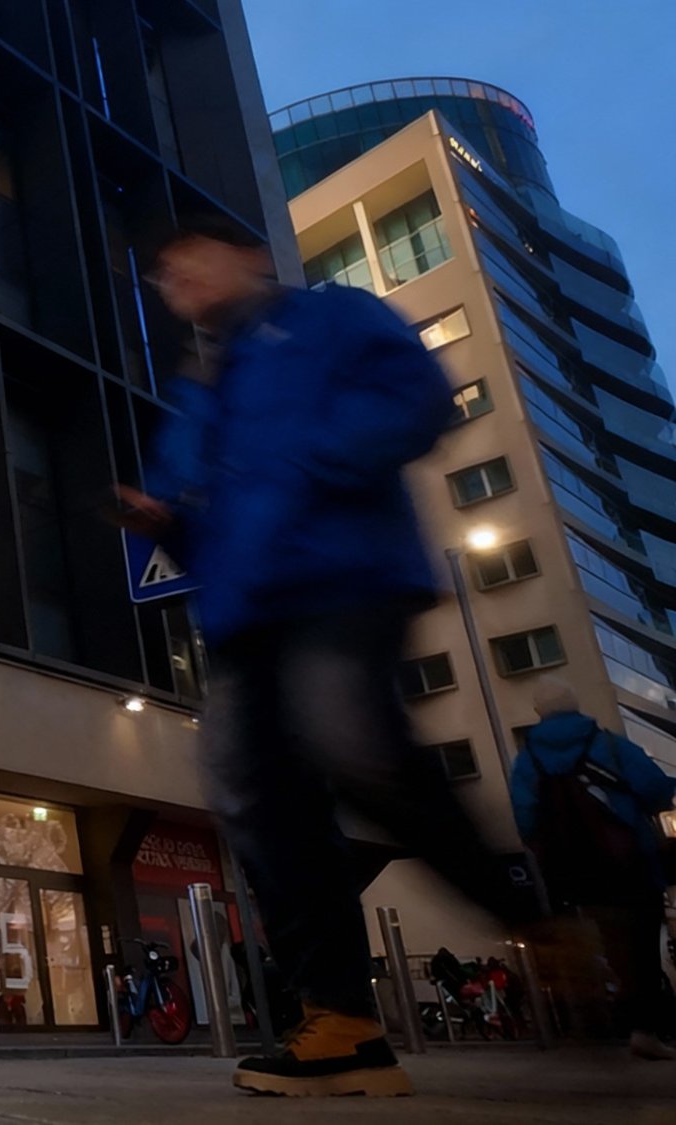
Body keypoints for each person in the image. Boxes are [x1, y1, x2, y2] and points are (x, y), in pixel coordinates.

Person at [123, 217, 542, 1097]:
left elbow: (420, 398)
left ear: (248, 257)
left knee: (349, 741)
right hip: (246, 611)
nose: (179, 279)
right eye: (165, 275)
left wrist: (311, 461)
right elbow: (193, 507)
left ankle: (523, 907)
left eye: (190, 256)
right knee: (252, 798)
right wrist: (164, 518)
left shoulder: (334, 318)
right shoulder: (202, 385)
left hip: (344, 580)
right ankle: (343, 1021)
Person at [510, 677, 676, 1060]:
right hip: (631, 861)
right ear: (575, 703)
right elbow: (654, 788)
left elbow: (525, 817)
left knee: (609, 943)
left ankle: (601, 1021)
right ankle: (645, 1028)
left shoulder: (528, 760)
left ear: (539, 712)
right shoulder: (609, 745)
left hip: (579, 871)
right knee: (644, 942)